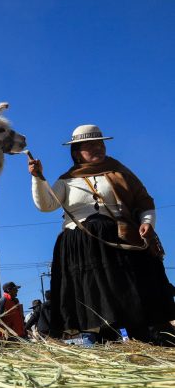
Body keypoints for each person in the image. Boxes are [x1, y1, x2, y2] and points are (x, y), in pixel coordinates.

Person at [29, 125, 175, 344]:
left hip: (118, 240)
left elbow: (144, 202)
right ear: (77, 152)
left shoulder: (120, 173)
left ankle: (143, 337)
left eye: (100, 144)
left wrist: (147, 222)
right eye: (90, 146)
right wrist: (38, 178)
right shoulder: (67, 180)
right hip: (81, 247)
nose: (97, 148)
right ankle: (103, 339)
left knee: (129, 290)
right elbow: (46, 205)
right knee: (93, 296)